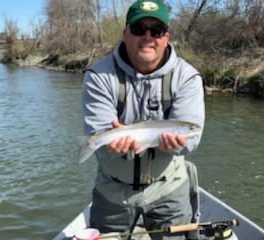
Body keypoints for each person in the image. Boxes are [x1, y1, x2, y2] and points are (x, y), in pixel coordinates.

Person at [81, 0, 205, 239]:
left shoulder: (187, 77)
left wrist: (180, 143)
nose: (148, 37)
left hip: (169, 186)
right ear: (125, 34)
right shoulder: (98, 76)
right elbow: (101, 142)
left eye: (156, 31)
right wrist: (110, 146)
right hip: (112, 192)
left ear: (166, 37)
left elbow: (193, 138)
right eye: (139, 29)